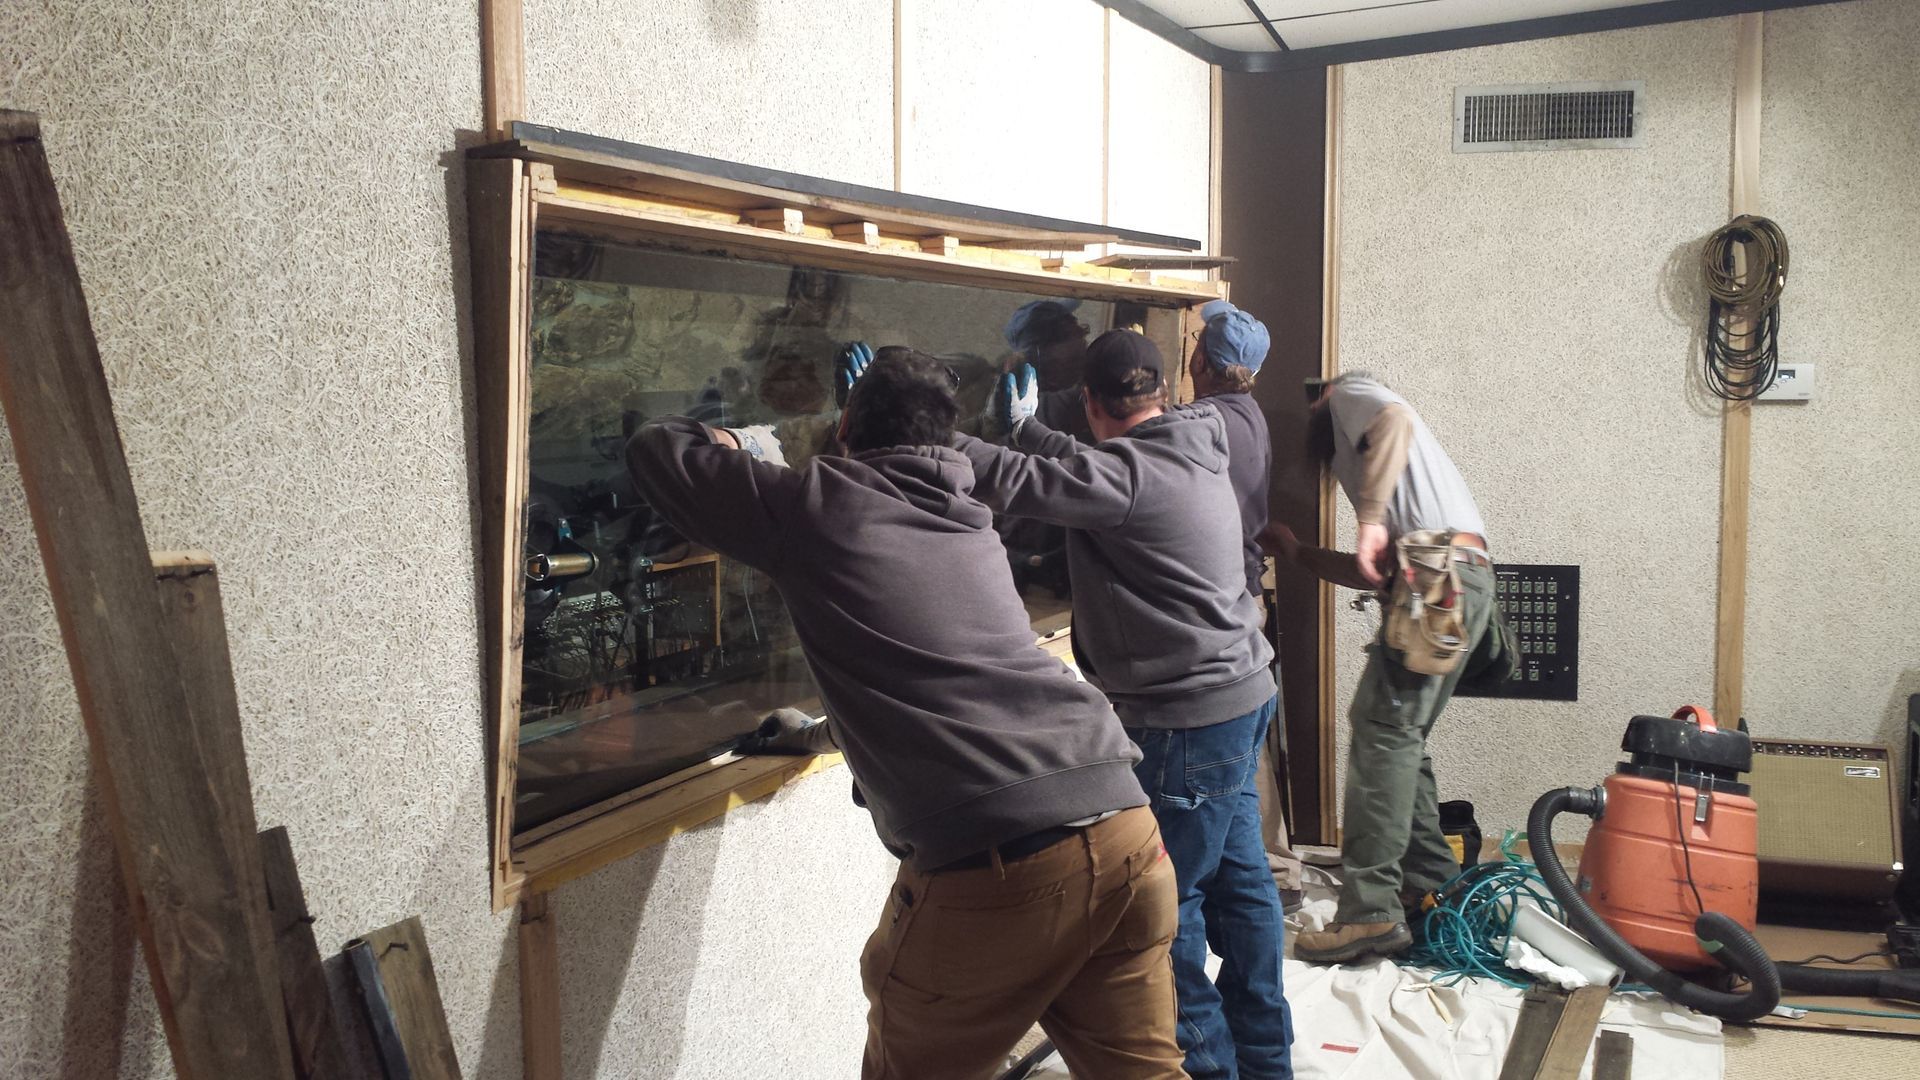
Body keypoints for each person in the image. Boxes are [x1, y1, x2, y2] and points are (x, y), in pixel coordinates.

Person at [625, 347, 1184, 1080]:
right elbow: (936, 673)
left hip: (1004, 862)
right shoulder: (970, 518)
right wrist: (821, 735)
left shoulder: (814, 505)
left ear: (846, 425)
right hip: (1126, 830)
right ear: (948, 440)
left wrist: (734, 440)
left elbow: (657, 450)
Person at [956, 329, 1294, 1080]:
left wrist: (911, 428)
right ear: (1163, 391)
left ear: (1088, 401)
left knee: (1162, 913)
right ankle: (1267, 1065)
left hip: (1185, 723)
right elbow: (1085, 467)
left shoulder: (1122, 479)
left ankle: (1209, 1069)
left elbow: (1016, 479)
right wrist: (1030, 429)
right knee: (1242, 887)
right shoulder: (1198, 437)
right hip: (1242, 697)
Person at [1267, 372, 1495, 964]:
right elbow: (1371, 570)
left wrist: (1368, 522)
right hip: (1449, 577)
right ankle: (1434, 891)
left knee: (1382, 734)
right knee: (1400, 739)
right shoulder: (1387, 475)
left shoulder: (1349, 395)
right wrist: (1298, 554)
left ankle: (1369, 911)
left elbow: (1393, 420)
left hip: (1441, 578)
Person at [1187, 299, 1305, 909]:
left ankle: (1263, 873)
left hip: (1223, 599)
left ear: (1201, 361)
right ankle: (1273, 870)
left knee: (1231, 743)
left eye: (1196, 342)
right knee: (1248, 739)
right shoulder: (1248, 413)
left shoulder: (1204, 420)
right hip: (1244, 591)